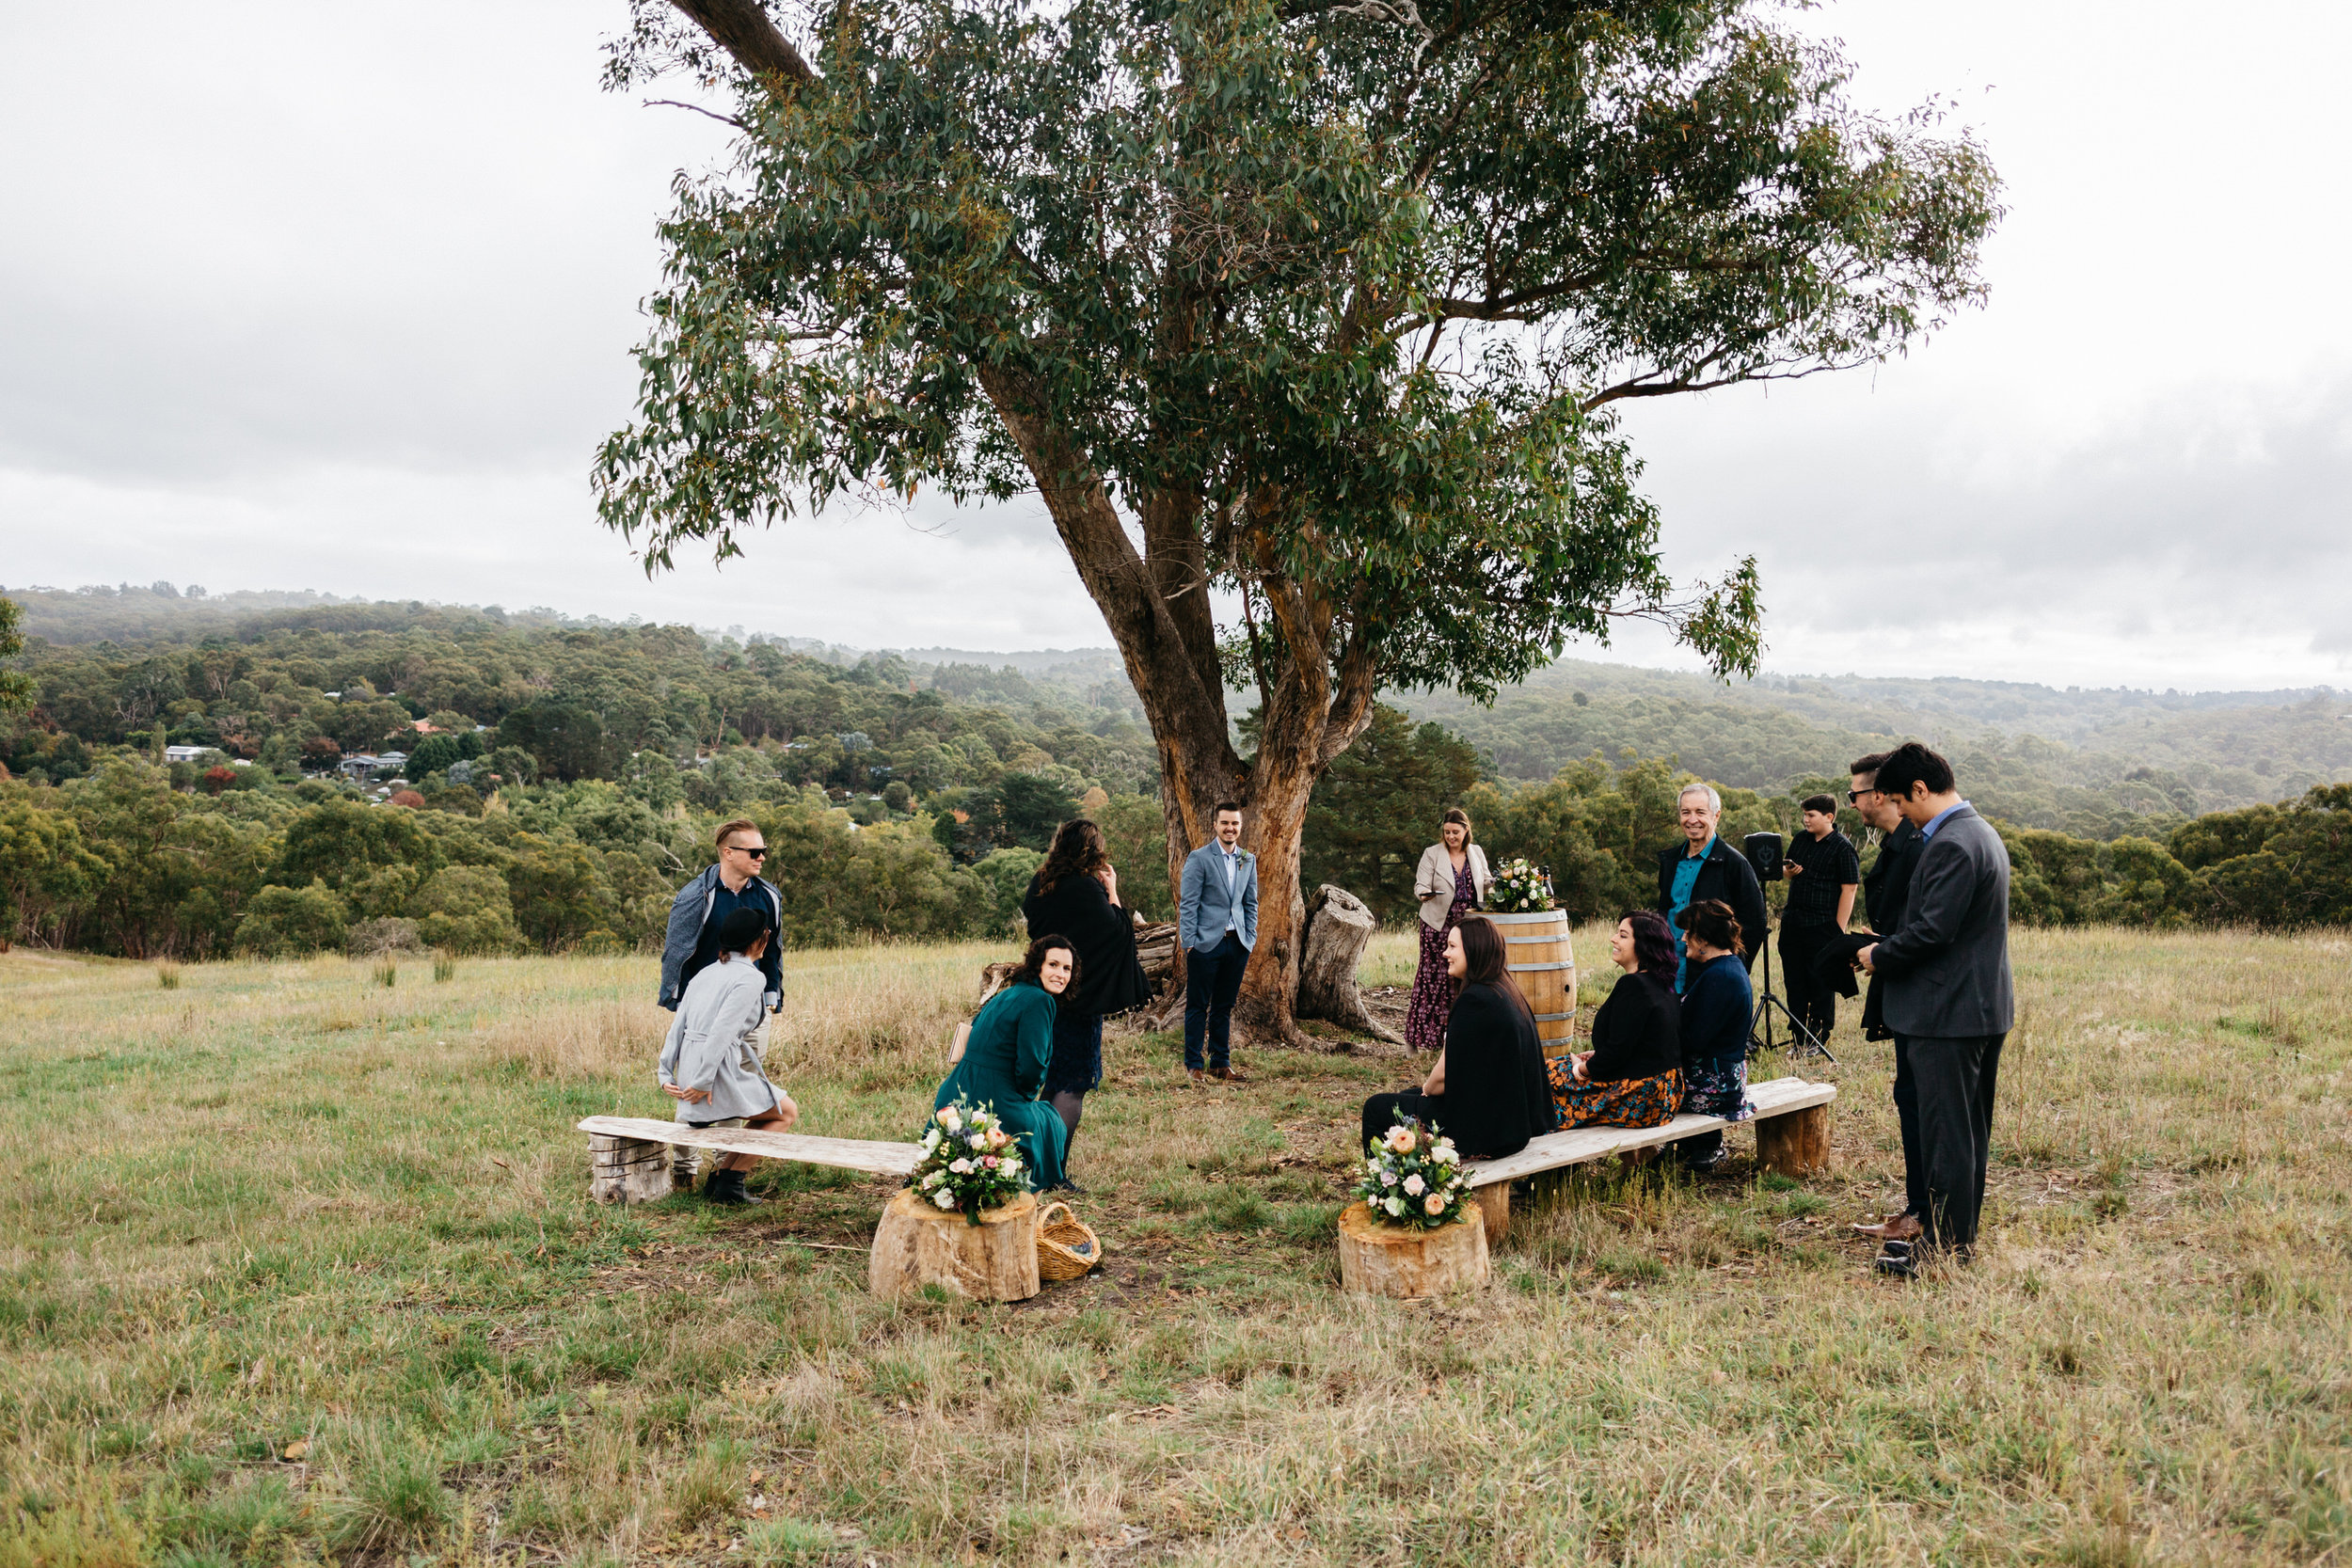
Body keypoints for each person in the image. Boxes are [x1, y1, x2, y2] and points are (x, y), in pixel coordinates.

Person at [1859, 741, 2013, 1275]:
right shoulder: (1980, 832)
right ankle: (1957, 1242)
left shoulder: (1950, 843)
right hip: (1975, 1008)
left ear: (1921, 790)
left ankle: (1942, 1251)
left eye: (1902, 803)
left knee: (1947, 1135)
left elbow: (1932, 931)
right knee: (1966, 1131)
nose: (1901, 814)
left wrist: (1877, 953)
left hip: (1947, 1013)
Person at [1020, 819, 1152, 1189]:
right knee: (1071, 1086)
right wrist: (1113, 893)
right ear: (1091, 850)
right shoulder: (1087, 889)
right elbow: (1119, 932)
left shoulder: (1041, 884)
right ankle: (1053, 1174)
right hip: (1079, 1000)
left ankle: (1033, 1167)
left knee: (1045, 1084)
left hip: (1043, 995)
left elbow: (1036, 932)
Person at [1360, 915, 1553, 1160]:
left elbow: (1441, 1079)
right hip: (1511, 1125)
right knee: (1405, 1096)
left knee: (1376, 1108)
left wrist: (1426, 1090)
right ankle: (1411, 1170)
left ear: (1473, 950)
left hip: (1484, 1133)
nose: (1444, 953)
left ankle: (1386, 1182)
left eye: (1452, 947)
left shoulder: (1475, 1001)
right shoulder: (1505, 990)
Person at [658, 818, 785, 1188]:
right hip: (702, 1005)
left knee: (737, 1087)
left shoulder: (768, 896)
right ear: (728, 853)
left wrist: (771, 995)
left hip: (750, 1003)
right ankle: (685, 1167)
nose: (761, 857)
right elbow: (677, 951)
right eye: (754, 851)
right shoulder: (697, 895)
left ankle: (723, 1167)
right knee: (696, 1088)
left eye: (763, 850)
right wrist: (679, 1003)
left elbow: (773, 949)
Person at [657, 907, 802, 1206]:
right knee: (786, 1112)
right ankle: (730, 1186)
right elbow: (722, 1033)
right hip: (712, 1077)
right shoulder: (750, 978)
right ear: (758, 940)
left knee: (767, 1113)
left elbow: (677, 1028)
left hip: (691, 1072)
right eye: (767, 934)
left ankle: (723, 1181)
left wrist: (664, 1074)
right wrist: (704, 1082)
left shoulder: (705, 973)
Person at [1847, 751, 1928, 1243]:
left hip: (1919, 993)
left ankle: (1923, 1213)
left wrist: (1881, 948)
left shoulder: (1919, 847)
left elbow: (1921, 928)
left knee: (1919, 1102)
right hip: (1897, 981)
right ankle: (1916, 1205)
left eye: (1855, 794)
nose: (1852, 803)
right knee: (1908, 1096)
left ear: (1880, 795)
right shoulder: (1897, 844)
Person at [933, 935, 1077, 1192]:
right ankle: (1043, 1183)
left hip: (954, 1095)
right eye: (1053, 965)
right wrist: (1025, 1097)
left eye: (1067, 968)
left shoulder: (1007, 994)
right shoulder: (1040, 1001)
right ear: (1038, 966)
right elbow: (1031, 1068)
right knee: (1049, 1119)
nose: (1061, 974)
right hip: (991, 1099)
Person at [1549, 911, 1682, 1129]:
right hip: (1666, 1091)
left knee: (1544, 1080)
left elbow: (1618, 1051)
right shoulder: (1661, 983)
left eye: (1623, 935)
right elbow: (1645, 1042)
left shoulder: (1635, 986)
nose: (1613, 938)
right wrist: (1597, 1056)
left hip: (1641, 1095)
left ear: (1644, 944)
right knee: (1553, 1068)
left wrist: (1580, 1071)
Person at [1654, 784, 1768, 992]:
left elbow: (1755, 921)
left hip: (1710, 978)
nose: (1692, 819)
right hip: (1668, 973)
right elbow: (1664, 912)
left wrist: (1734, 967)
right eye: (1685, 812)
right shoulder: (1670, 862)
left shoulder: (1735, 864)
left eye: (1700, 812)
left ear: (1716, 816)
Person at [1672, 899, 1755, 1172]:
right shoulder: (1726, 968)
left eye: (1688, 933)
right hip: (1723, 1075)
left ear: (1704, 939)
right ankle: (1692, 1142)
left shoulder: (1721, 976)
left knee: (1642, 1088)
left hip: (1717, 1084)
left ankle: (1705, 1143)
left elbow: (1693, 1039)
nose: (1684, 938)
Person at [1178, 801, 1258, 1084]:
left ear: (1240, 826)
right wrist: (1189, 942)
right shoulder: (1199, 858)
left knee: (1224, 1006)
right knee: (1198, 1006)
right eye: (1225, 823)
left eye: (1235, 823)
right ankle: (1194, 1065)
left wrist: (1250, 936)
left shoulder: (1248, 859)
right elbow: (1188, 904)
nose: (1230, 828)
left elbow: (1251, 902)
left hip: (1237, 944)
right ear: (1215, 825)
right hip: (1204, 944)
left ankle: (1221, 1063)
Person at [1406, 808, 1491, 1053]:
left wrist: (1504, 880)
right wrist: (1423, 894)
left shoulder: (1476, 852)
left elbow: (1484, 880)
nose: (1451, 836)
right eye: (1447, 832)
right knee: (1433, 979)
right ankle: (1417, 1040)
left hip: (1467, 924)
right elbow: (1420, 885)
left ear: (1466, 831)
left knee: (1463, 979)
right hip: (1437, 925)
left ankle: (1456, 1037)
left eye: (1455, 832)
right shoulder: (1432, 854)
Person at [1778, 793, 1861, 1046]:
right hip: (1793, 923)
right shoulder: (1800, 840)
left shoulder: (1843, 847)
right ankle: (1798, 1036)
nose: (1805, 820)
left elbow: (1850, 889)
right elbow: (1784, 874)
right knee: (1795, 983)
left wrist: (1838, 930)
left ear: (1829, 817)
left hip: (1823, 926)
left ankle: (1818, 1039)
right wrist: (1788, 873)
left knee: (1821, 984)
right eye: (1804, 814)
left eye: (1811, 815)